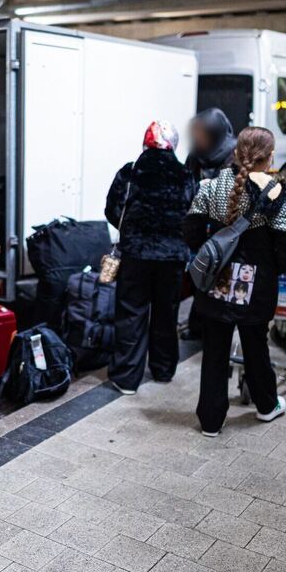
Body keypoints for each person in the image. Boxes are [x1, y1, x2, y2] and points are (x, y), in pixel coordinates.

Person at [184, 127, 286, 436]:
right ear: (271, 156)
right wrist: (269, 268)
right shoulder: (278, 191)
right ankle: (266, 406)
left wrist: (211, 250)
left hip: (217, 282)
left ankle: (211, 421)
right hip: (257, 288)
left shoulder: (212, 185)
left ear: (237, 153)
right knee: (256, 346)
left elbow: (191, 228)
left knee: (214, 350)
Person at [104, 121, 193, 395]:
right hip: (173, 256)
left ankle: (127, 378)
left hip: (137, 254)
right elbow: (193, 215)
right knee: (167, 311)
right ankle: (164, 369)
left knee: (132, 312)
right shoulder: (186, 176)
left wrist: (133, 231)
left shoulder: (131, 172)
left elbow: (112, 210)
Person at [181, 108, 238, 341]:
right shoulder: (196, 155)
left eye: (204, 135)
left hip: (222, 227)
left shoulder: (233, 154)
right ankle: (197, 325)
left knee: (218, 279)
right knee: (199, 277)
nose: (199, 140)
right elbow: (187, 181)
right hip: (198, 224)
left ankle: (214, 329)